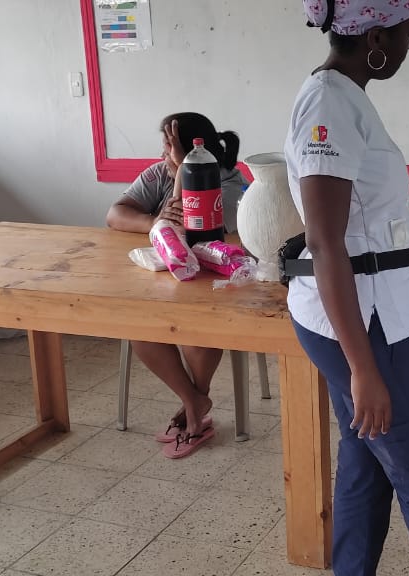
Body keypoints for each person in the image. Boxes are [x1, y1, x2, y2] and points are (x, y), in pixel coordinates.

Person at [285, 1, 409, 574]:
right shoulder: (328, 105)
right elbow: (325, 241)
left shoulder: (347, 97)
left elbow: (368, 216)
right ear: (375, 37)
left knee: (366, 463)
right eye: (406, 34)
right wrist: (363, 368)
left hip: (378, 308)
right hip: (366, 326)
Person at [105, 112, 245, 458]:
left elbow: (191, 229)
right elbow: (115, 215)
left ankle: (195, 406)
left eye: (168, 147)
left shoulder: (226, 182)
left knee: (194, 331)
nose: (162, 155)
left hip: (212, 285)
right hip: (164, 284)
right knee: (139, 328)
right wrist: (154, 221)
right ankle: (194, 401)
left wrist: (185, 170)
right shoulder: (158, 173)